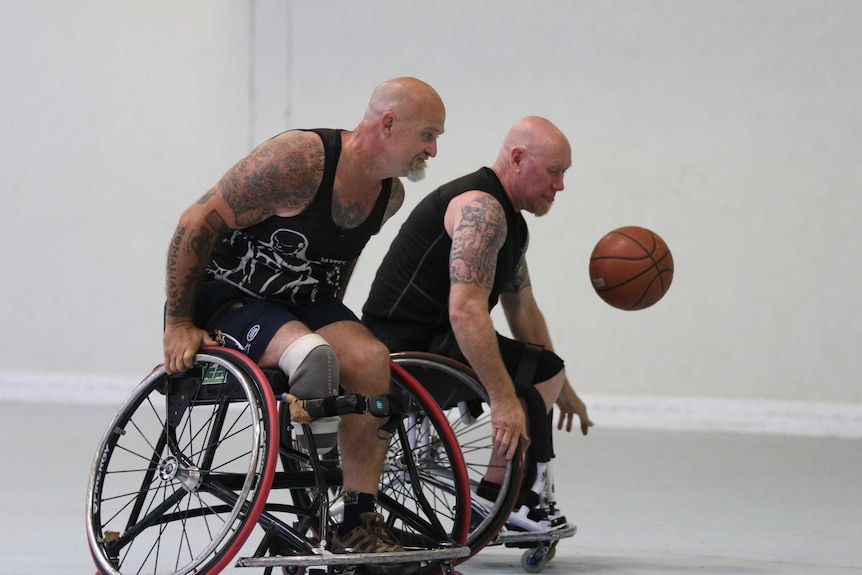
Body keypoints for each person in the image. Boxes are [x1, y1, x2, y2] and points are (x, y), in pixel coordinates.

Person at [162, 77, 446, 566]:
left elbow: (341, 261)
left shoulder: (389, 196)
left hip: (302, 301)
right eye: (428, 135)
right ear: (389, 123)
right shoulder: (299, 161)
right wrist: (178, 321)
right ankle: (317, 494)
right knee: (314, 356)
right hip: (233, 295)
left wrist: (337, 321)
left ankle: (358, 521)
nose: (434, 150)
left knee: (371, 358)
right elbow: (194, 222)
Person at [362, 116, 593, 524]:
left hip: (439, 340)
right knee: (529, 378)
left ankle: (496, 495)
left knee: (543, 369)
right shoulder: (480, 208)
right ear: (518, 158)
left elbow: (522, 308)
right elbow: (464, 311)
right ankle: (497, 498)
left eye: (564, 174)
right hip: (404, 351)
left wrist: (563, 390)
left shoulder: (511, 222)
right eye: (554, 171)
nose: (560, 185)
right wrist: (503, 399)